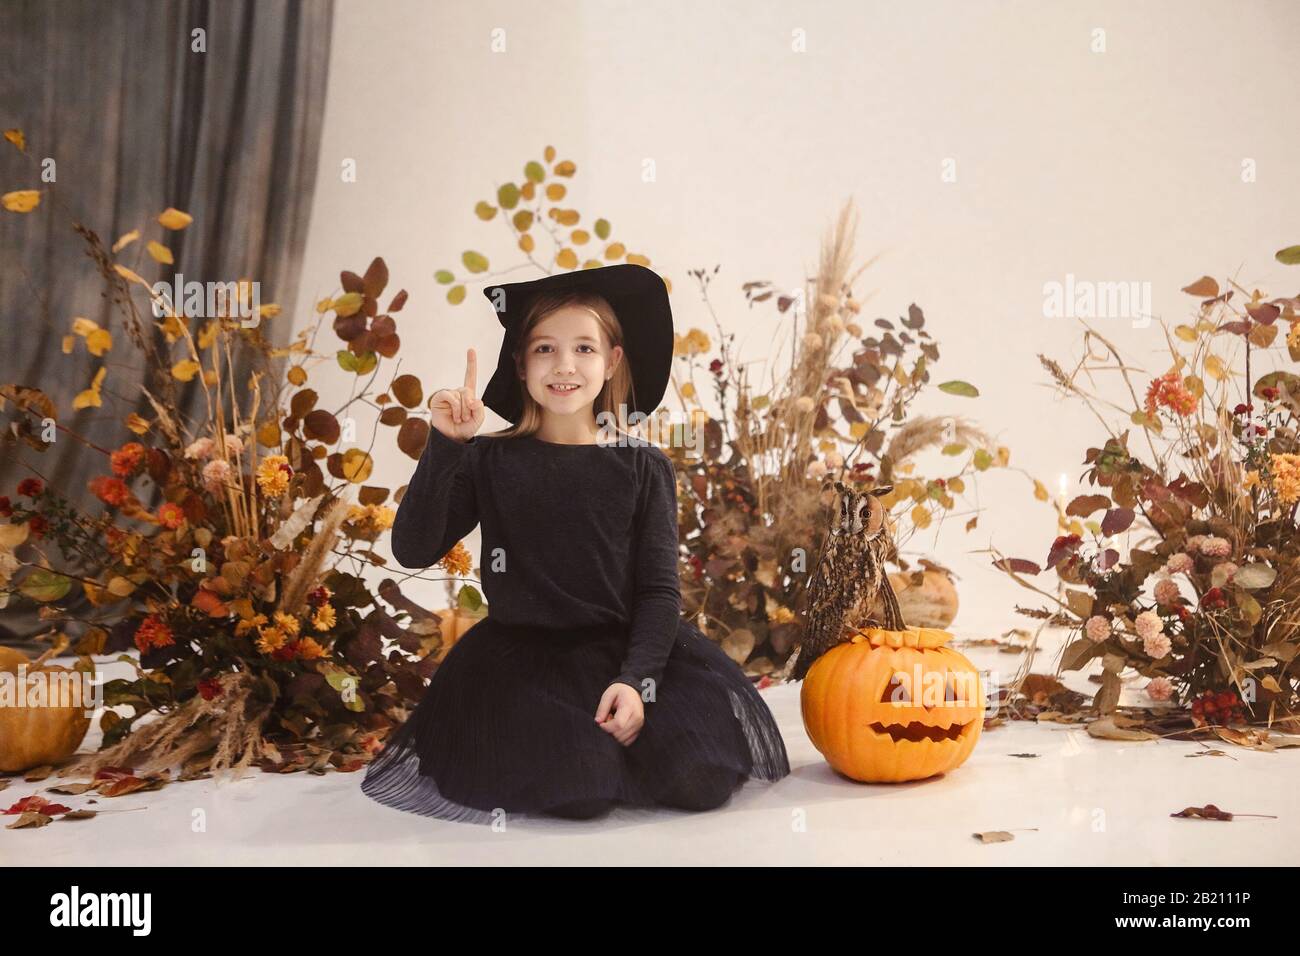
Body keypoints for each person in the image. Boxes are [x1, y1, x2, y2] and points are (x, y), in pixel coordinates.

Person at [360, 263, 790, 824]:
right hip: (523, 662)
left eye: (584, 348)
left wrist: (636, 683)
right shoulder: (489, 460)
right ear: (519, 363)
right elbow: (413, 549)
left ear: (611, 361)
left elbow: (658, 592)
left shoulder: (643, 467)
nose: (564, 366)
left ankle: (633, 721)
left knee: (699, 778)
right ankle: (581, 750)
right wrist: (446, 446)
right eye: (544, 349)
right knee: (578, 789)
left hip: (625, 653)